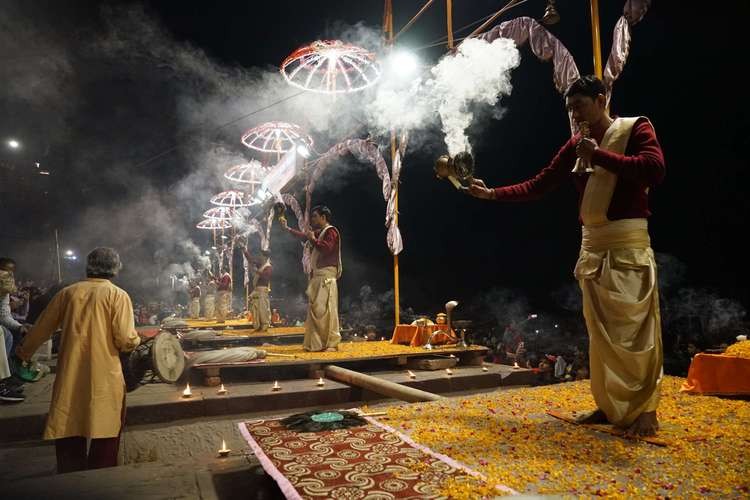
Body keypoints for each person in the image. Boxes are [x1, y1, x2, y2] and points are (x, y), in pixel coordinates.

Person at [468, 75, 666, 437]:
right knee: (600, 335)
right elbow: (540, 184)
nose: (575, 114)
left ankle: (646, 410)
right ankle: (610, 405)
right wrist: (492, 193)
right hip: (592, 247)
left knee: (635, 332)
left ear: (602, 100)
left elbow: (654, 170)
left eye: (580, 105)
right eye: (570, 108)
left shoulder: (635, 128)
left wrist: (598, 155)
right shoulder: (576, 144)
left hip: (626, 244)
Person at [15, 247, 141, 472]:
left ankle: (70, 476)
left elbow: (41, 328)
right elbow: (125, 339)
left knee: (69, 421)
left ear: (88, 267)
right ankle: (101, 478)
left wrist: (23, 354)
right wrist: (135, 342)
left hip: (71, 371)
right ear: (115, 269)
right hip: (105, 373)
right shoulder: (118, 295)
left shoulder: (67, 293)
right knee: (106, 426)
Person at [281, 205, 342, 352]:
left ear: (323, 217)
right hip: (318, 277)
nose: (312, 219)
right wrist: (287, 229)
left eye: (315, 216)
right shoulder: (319, 233)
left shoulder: (331, 231)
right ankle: (317, 344)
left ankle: (331, 344)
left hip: (326, 278)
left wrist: (313, 239)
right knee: (316, 311)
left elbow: (326, 249)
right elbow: (304, 236)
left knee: (325, 311)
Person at [0, 258, 28, 402]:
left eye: (11, 271)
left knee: (12, 333)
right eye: (5, 270)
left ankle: (8, 374)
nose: (9, 274)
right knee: (3, 333)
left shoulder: (5, 289)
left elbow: (4, 315)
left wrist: (19, 326)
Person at [242, 246, 273, 332]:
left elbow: (266, 277)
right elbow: (251, 260)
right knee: (255, 309)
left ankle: (264, 326)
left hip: (262, 291)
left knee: (262, 309)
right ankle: (257, 326)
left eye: (261, 255)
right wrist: (245, 251)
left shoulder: (268, 267)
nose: (259, 257)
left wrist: (257, 271)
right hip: (256, 290)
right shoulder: (260, 265)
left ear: (265, 257)